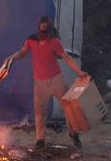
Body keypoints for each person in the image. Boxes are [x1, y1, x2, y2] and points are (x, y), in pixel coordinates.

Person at [5, 16, 87, 150]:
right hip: (39, 83)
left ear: (49, 30)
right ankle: (40, 140)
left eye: (45, 29)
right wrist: (12, 58)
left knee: (69, 107)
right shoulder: (31, 40)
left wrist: (79, 71)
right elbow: (22, 52)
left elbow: (66, 57)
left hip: (56, 79)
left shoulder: (54, 42)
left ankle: (73, 134)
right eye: (41, 28)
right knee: (39, 111)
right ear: (38, 28)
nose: (42, 31)